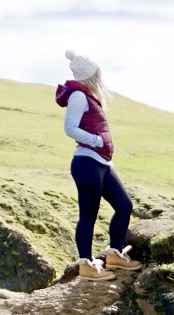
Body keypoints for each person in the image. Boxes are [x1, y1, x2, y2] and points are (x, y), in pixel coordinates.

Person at [56, 51, 139, 278]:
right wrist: (97, 141)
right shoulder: (78, 96)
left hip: (102, 163)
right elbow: (70, 128)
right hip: (87, 163)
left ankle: (115, 254)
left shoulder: (88, 95)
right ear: (92, 75)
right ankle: (86, 265)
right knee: (88, 215)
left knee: (124, 205)